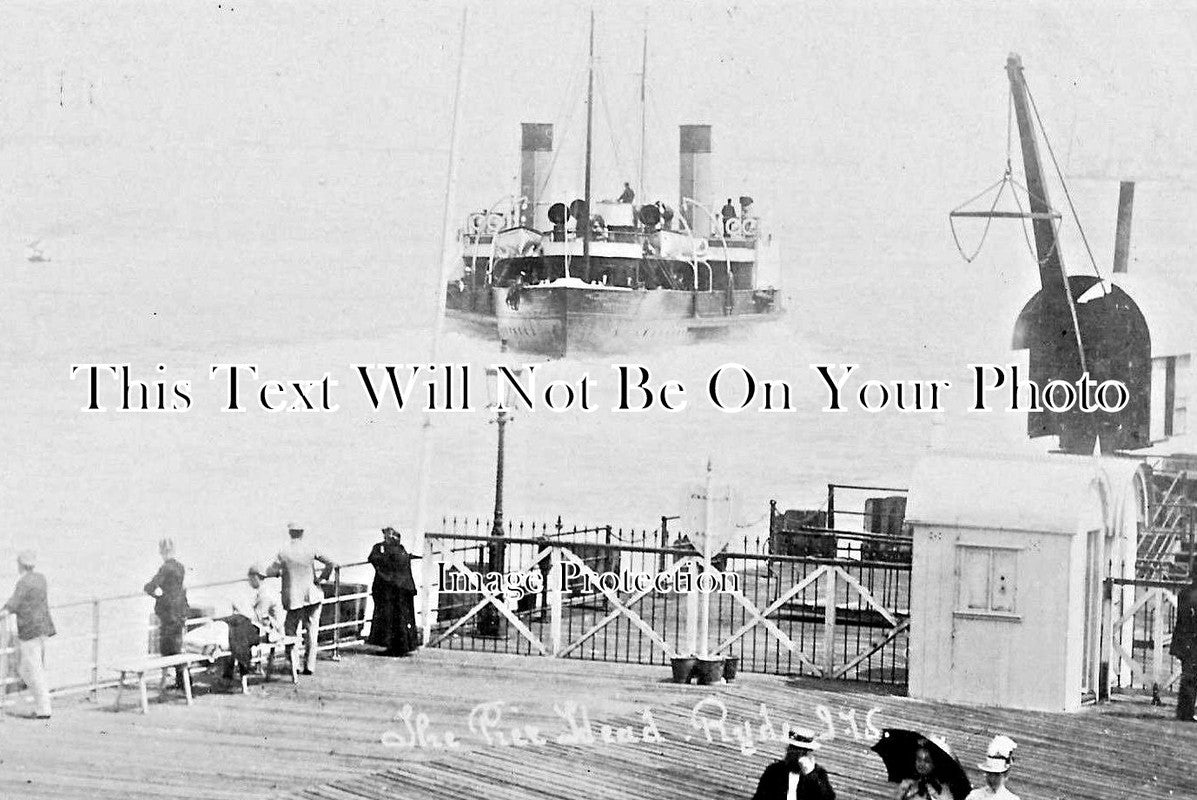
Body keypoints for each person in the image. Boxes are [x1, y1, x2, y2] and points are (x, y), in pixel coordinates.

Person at [267, 523, 337, 676]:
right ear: (302, 533)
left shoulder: (284, 551)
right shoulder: (310, 548)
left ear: (290, 533)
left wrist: (278, 573)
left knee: (291, 631)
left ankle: (294, 665)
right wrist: (322, 578)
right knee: (312, 631)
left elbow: (271, 570)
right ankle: (310, 666)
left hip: (293, 598)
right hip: (312, 594)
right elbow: (331, 563)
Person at [1, 551, 56, 719]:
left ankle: (44, 708)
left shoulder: (23, 582)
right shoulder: (41, 578)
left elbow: (14, 603)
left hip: (30, 630)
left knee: (32, 669)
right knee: (28, 669)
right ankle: (42, 702)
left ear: (20, 565)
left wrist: (3, 611)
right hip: (42, 627)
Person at [366, 527, 421, 656]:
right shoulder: (401, 550)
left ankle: (395, 647)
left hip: (392, 589)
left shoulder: (384, 549)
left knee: (392, 619)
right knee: (403, 619)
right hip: (403, 587)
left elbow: (375, 560)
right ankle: (404, 646)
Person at [143, 538, 190, 689]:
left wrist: (158, 596)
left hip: (169, 612)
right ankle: (183, 682)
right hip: (180, 610)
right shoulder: (180, 567)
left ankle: (179, 683)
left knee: (168, 648)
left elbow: (150, 586)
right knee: (177, 646)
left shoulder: (165, 568)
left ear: (161, 552)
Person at [751, 728, 836, 800]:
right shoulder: (774, 771)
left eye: (802, 752)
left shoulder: (818, 774)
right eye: (793, 749)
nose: (796, 755)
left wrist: (811, 775)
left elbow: (828, 798)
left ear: (808, 753)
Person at [1171, 570, 1197, 721]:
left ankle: (1185, 711)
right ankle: (1185, 712)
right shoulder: (1190, 595)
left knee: (1189, 677)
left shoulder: (1185, 593)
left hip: (1185, 640)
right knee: (1190, 677)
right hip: (1191, 641)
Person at [965, 736, 1019, 800]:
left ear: (1006, 774)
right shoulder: (974, 796)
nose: (992, 779)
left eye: (997, 775)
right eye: (989, 774)